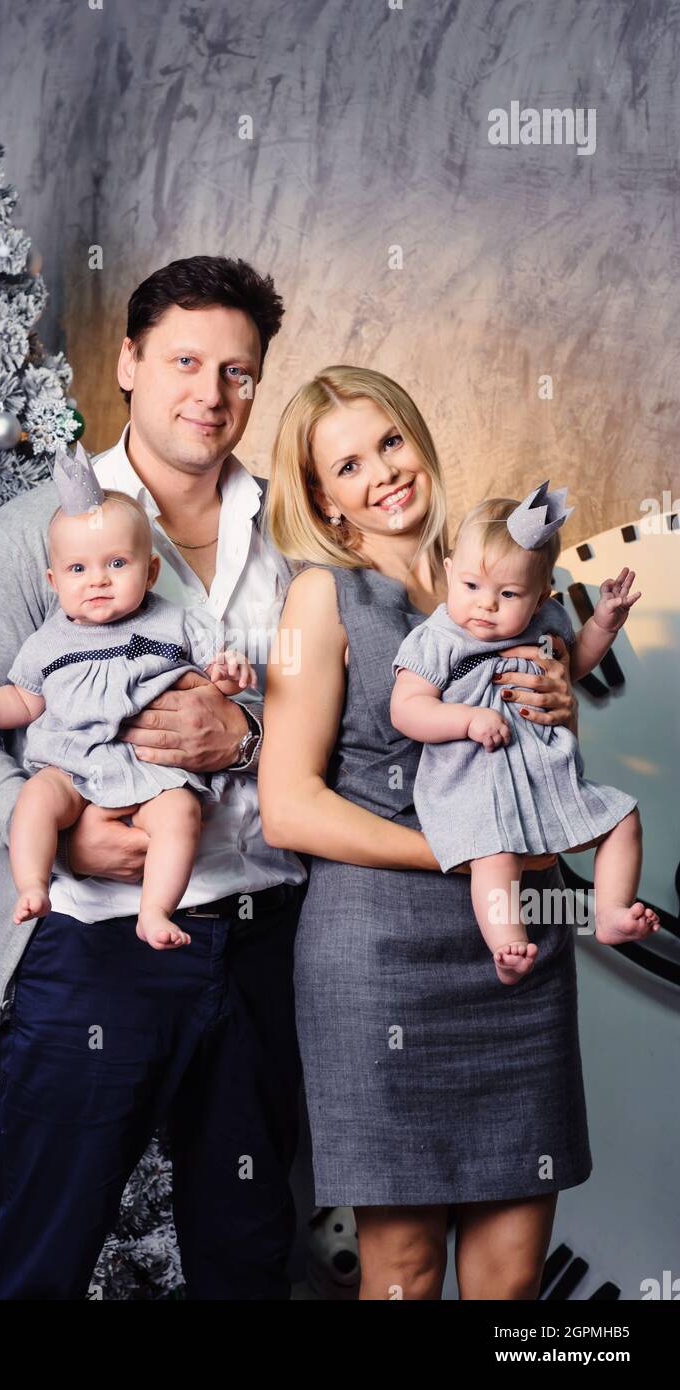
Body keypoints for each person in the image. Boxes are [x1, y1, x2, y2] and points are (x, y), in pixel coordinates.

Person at [0, 255, 306, 1300]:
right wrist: (52, 829)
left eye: (238, 371)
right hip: (93, 943)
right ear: (125, 362)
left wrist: (248, 732)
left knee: (252, 1257)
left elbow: (337, 718)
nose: (209, 394)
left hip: (267, 940)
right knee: (39, 1256)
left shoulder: (294, 539)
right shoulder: (31, 539)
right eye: (183, 359)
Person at [259, 365, 593, 1300]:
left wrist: (564, 712)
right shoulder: (320, 601)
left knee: (511, 1279)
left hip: (514, 957)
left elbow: (543, 764)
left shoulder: (509, 569)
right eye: (349, 465)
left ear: (421, 439)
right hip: (379, 962)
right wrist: (459, 853)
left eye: (391, 443)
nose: (383, 474)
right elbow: (289, 804)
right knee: (401, 1275)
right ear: (324, 501)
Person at [0, 476, 257, 946]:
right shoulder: (47, 641)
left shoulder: (175, 622)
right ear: (54, 580)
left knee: (180, 815)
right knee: (35, 800)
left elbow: (215, 686)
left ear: (149, 572)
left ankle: (155, 909)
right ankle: (32, 884)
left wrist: (230, 672)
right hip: (71, 765)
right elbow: (25, 701)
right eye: (78, 569)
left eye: (116, 563)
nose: (98, 580)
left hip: (152, 770)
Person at [391, 491, 658, 984]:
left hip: (543, 779)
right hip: (475, 786)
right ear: (451, 572)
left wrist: (603, 624)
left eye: (509, 594)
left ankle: (611, 912)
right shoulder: (438, 639)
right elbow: (407, 709)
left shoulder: (545, 626)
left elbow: (571, 667)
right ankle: (506, 945)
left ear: (540, 599)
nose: (486, 605)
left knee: (623, 818)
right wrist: (465, 720)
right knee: (497, 857)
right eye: (471, 585)